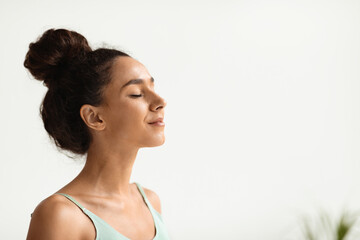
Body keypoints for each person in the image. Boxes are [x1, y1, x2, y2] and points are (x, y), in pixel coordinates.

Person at [24, 28, 170, 240]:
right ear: (94, 118)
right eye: (136, 94)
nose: (160, 102)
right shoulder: (61, 215)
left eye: (153, 87)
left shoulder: (150, 202)